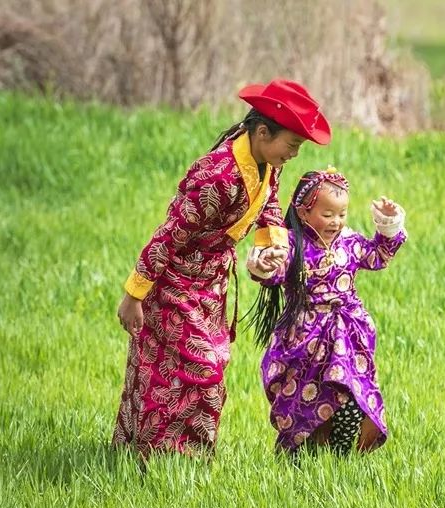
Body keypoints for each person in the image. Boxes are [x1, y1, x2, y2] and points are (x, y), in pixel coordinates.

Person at [113, 79, 331, 458]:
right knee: (203, 370)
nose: (294, 154)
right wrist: (135, 294)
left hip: (211, 284)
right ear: (263, 132)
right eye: (292, 145)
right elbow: (170, 234)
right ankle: (168, 455)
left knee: (185, 367)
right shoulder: (218, 175)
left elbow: (270, 204)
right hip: (177, 283)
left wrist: (273, 248)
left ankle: (174, 459)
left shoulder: (266, 164)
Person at [246, 167, 406, 457]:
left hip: (348, 335)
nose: (336, 221)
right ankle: (299, 456)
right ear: (304, 212)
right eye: (328, 214)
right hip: (304, 339)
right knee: (305, 398)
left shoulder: (350, 242)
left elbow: (378, 256)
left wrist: (388, 225)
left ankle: (341, 456)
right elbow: (274, 272)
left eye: (342, 214)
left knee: (351, 394)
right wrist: (261, 265)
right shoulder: (292, 246)